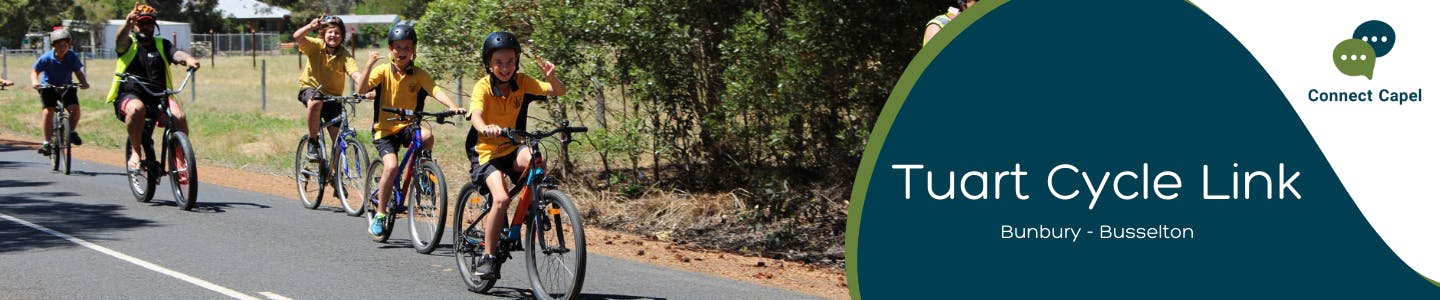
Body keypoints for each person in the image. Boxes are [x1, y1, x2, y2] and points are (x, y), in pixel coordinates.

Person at [467, 31, 568, 279]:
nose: (505, 67)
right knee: (501, 200)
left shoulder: (522, 82)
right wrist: (485, 128)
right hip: (487, 152)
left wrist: (552, 77)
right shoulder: (482, 86)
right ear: (489, 63)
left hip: (512, 148)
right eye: (499, 62)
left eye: (510, 61)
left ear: (517, 61)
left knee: (535, 158)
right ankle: (488, 257)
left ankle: (533, 207)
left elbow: (558, 91)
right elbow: (477, 115)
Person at [358, 23, 465, 237]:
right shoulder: (382, 71)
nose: (402, 52)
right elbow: (361, 90)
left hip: (408, 126)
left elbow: (435, 90)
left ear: (414, 49)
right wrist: (369, 64)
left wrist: (452, 107)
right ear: (391, 49)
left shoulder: (419, 74)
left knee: (427, 135)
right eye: (398, 48)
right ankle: (380, 214)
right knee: (391, 167)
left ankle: (423, 172)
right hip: (384, 129)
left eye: (407, 47)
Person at [108, 3, 202, 171]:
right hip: (130, 95)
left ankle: (180, 157)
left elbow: (176, 54)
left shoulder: (162, 44)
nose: (145, 26)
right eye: (140, 23)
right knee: (137, 109)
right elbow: (119, 40)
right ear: (134, 26)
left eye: (149, 23)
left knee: (179, 116)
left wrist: (188, 59)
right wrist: (127, 23)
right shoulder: (128, 44)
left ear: (154, 25)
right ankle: (136, 152)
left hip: (159, 97)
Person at [293, 15, 364, 161]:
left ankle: (334, 174)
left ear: (342, 36)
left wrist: (367, 88)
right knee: (315, 101)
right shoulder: (316, 45)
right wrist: (310, 27)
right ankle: (313, 142)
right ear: (324, 33)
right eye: (330, 32)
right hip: (311, 89)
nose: (333, 36)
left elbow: (355, 74)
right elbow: (297, 37)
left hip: (333, 98)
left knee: (338, 141)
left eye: (337, 33)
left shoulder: (344, 55)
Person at [31, 29, 91, 156]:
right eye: (59, 45)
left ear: (69, 45)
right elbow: (35, 71)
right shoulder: (46, 58)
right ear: (54, 45)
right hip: (48, 87)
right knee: (48, 111)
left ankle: (71, 132)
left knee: (75, 109)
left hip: (66, 87)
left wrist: (84, 83)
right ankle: (47, 143)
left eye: (65, 45)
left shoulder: (72, 56)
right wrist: (35, 82)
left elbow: (78, 72)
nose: (63, 48)